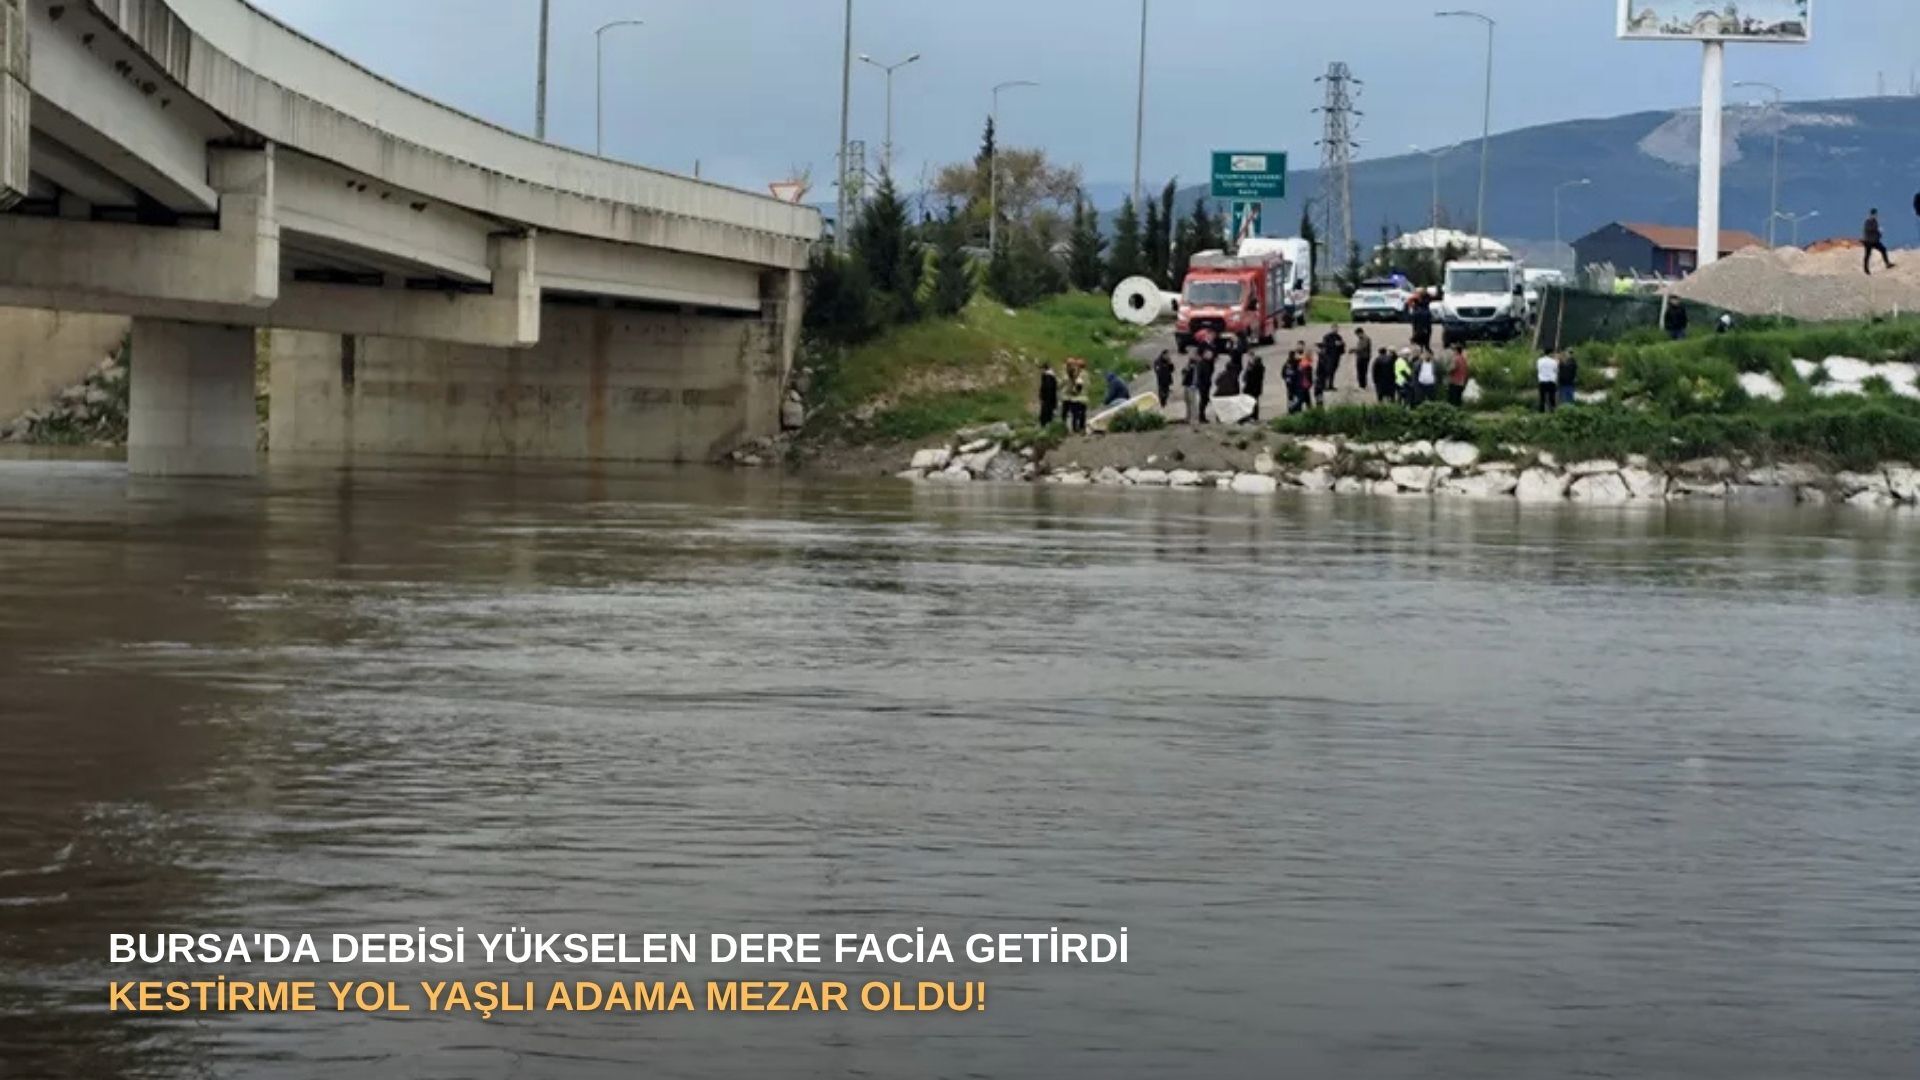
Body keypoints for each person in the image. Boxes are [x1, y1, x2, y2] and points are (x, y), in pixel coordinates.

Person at [1316, 328, 1346, 403]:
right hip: (1328, 357)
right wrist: (1334, 344)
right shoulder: (1327, 337)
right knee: (1327, 371)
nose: (1335, 330)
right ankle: (1325, 385)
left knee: (1333, 371)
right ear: (1332, 329)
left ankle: (1331, 385)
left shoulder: (1339, 337)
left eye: (1336, 329)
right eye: (1334, 329)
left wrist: (1342, 344)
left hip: (1336, 357)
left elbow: (1342, 348)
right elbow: (1325, 345)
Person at [1863, 208, 1896, 275]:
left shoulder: (1875, 222)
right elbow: (1869, 229)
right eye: (1874, 214)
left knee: (1883, 249)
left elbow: (1876, 232)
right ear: (1871, 214)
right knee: (1868, 255)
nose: (1875, 216)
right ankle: (1866, 269)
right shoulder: (1867, 221)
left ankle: (1887, 264)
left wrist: (1879, 234)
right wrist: (1877, 229)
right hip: (1868, 241)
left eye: (1876, 214)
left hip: (1875, 241)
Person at [1062, 360, 1090, 433]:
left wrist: (1073, 391)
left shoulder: (1079, 375)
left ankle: (1075, 428)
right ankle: (1082, 427)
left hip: (1076, 398)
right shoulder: (1087, 375)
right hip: (1084, 397)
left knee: (1074, 414)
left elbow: (1077, 387)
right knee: (1082, 414)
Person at [1193, 348, 1216, 424]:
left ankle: (1202, 416)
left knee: (1205, 400)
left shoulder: (1209, 363)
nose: (1210, 356)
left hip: (1207, 384)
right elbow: (1199, 375)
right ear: (1204, 355)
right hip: (1202, 384)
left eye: (1211, 354)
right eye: (1209, 354)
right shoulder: (1201, 363)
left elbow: (1211, 371)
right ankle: (1201, 417)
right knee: (1203, 400)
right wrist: (1200, 384)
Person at [1242, 352, 1267, 422]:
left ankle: (1252, 416)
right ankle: (1253, 416)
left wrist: (1249, 367)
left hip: (1253, 388)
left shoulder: (1256, 368)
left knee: (1252, 402)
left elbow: (1249, 377)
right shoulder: (1256, 367)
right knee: (1253, 402)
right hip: (1254, 388)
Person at [1281, 350, 1306, 414]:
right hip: (1293, 385)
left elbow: (1283, 374)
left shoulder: (1295, 363)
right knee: (1293, 398)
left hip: (1295, 385)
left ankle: (1294, 411)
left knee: (1294, 398)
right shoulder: (1288, 364)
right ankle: (1293, 411)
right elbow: (1283, 374)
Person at [1181, 355, 1201, 425]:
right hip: (1186, 385)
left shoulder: (1196, 367)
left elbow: (1196, 377)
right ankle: (1188, 417)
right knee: (1187, 402)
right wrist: (1186, 368)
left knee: (1193, 403)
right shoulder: (1188, 367)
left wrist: (1194, 385)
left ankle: (1194, 419)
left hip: (1192, 387)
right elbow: (1183, 372)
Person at [1038, 362, 1059, 427]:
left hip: (1047, 398)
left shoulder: (1047, 376)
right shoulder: (1052, 376)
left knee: (1046, 412)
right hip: (1051, 397)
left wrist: (1042, 396)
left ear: (1044, 369)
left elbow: (1046, 387)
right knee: (1049, 411)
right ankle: (1048, 423)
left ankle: (1044, 424)